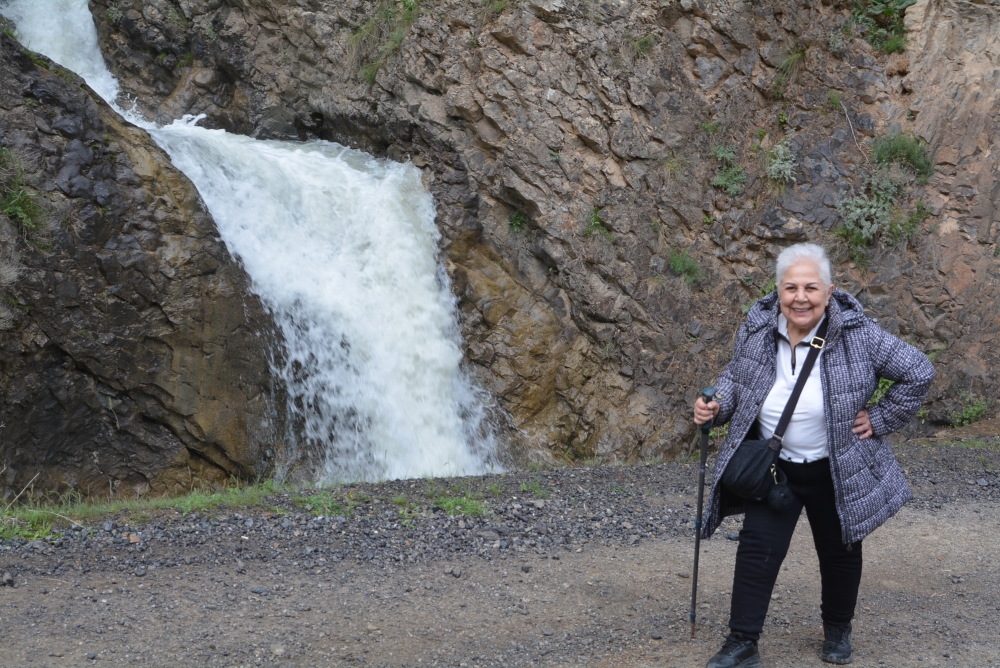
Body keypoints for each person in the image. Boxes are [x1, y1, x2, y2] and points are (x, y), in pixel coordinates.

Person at [692, 243, 935, 668]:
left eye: (810, 288)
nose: (800, 297)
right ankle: (742, 641)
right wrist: (717, 405)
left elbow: (919, 371)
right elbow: (736, 378)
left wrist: (880, 418)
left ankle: (838, 630)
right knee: (755, 550)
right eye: (791, 288)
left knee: (840, 550)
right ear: (778, 291)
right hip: (776, 470)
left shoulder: (858, 335)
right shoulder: (757, 328)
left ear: (829, 290)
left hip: (836, 467)